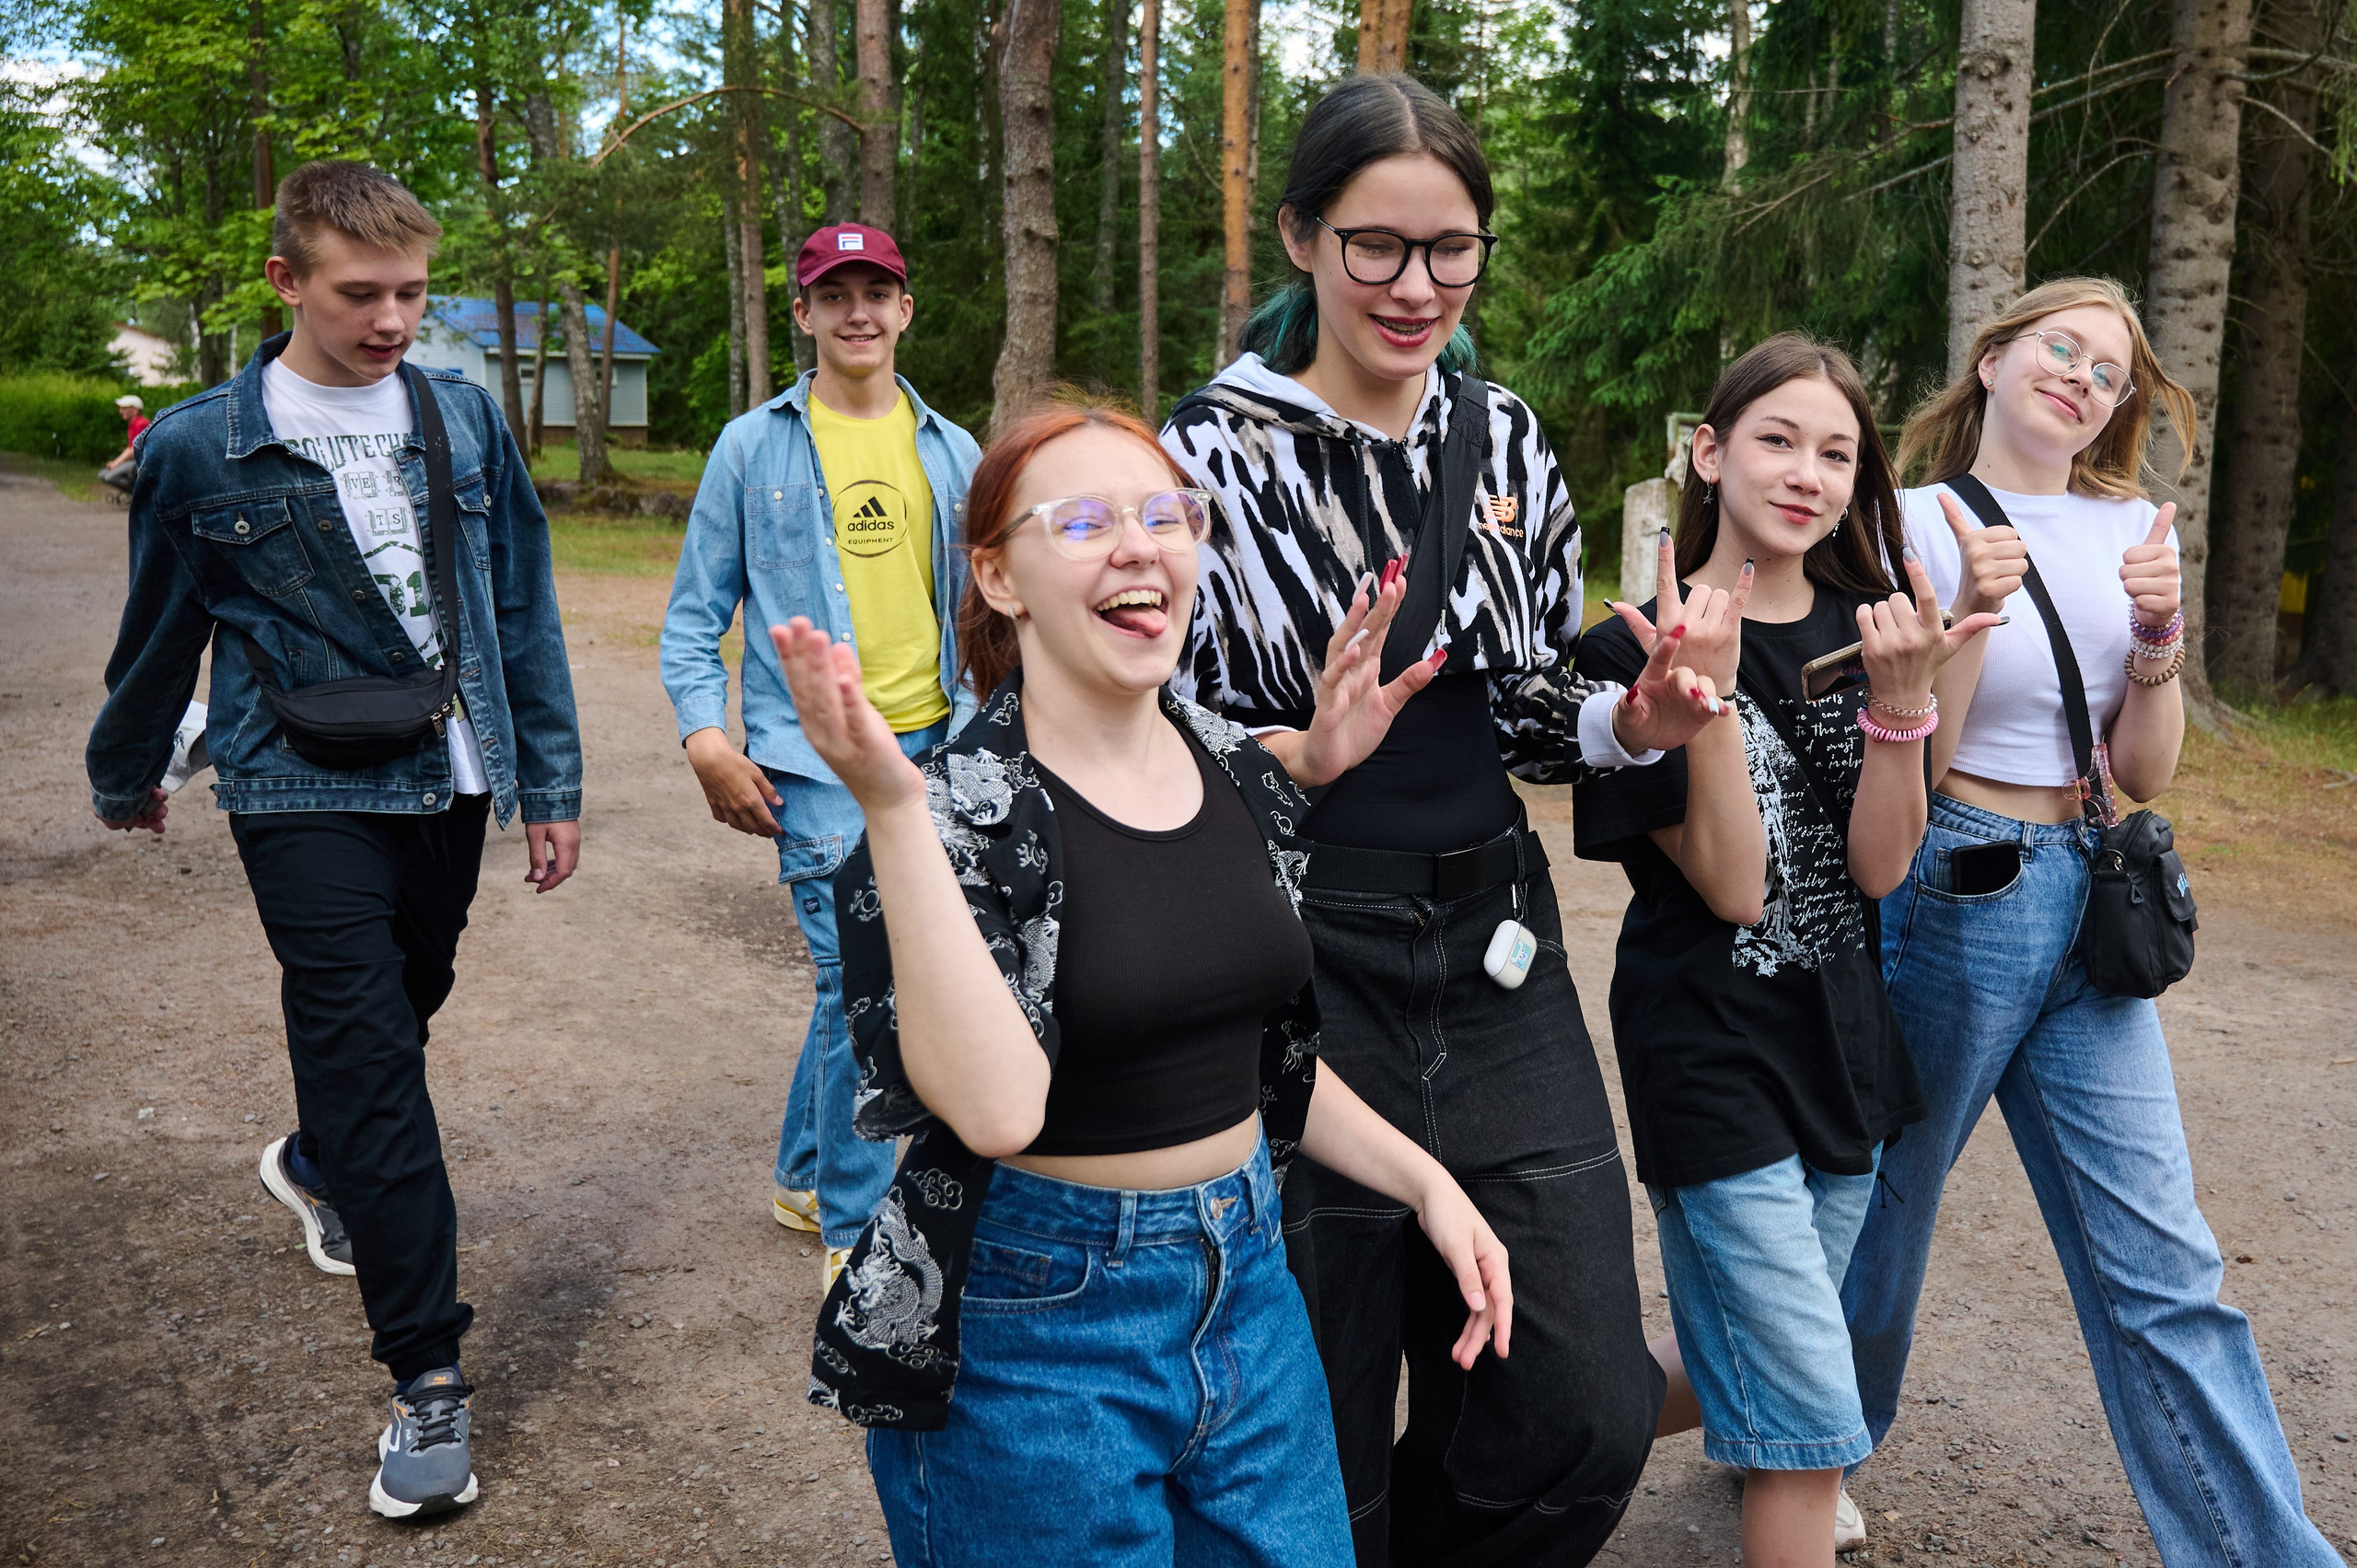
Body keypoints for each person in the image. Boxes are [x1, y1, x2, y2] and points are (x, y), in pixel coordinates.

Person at [788, 401, 1514, 1566]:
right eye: (1083, 522)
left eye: (1165, 515)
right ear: (999, 576)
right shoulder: (943, 819)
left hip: (1249, 1287)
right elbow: (996, 1110)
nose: (1139, 545)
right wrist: (889, 805)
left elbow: (1257, 1060)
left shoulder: (1232, 764)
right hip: (1034, 1328)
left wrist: (1427, 1182)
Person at [1161, 74, 1724, 1566]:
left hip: (1495, 951)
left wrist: (1634, 723)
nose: (1417, 286)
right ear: (1302, 237)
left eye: (1451, 247)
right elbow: (1148, 731)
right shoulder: (1204, 458)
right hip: (1292, 944)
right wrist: (1299, 746)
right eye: (1377, 245)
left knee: (1584, 1401)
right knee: (1318, 1415)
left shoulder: (1507, 438)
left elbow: (1534, 709)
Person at [84, 160, 582, 1518]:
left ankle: (318, 1157)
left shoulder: (463, 417)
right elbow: (159, 629)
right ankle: (429, 1375)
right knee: (369, 1051)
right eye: (360, 293)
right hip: (294, 776)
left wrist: (549, 781)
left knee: (404, 1009)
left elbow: (521, 608)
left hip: (450, 769)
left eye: (411, 292)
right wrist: (129, 769)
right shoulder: (199, 444)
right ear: (286, 281)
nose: (391, 321)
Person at [1840, 276, 2347, 1566]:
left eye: (2107, 371)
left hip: (2091, 891)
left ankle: (2266, 1552)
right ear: (1995, 358)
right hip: (1959, 887)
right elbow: (1915, 762)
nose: (2080, 375)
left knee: (2165, 1261)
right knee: (1887, 1207)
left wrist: (2161, 625)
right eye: (2059, 347)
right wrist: (1969, 619)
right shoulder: (1919, 519)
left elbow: (2147, 768)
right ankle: (1809, 1442)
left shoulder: (2131, 526)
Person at [1577, 336, 1998, 1568]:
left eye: (1837, 451)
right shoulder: (1630, 652)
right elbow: (1734, 886)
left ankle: (1513, 1442)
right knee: (1810, 1418)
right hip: (1709, 1054)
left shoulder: (1871, 630)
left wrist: (1906, 700)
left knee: (1752, 1360)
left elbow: (1879, 870)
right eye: (1777, 438)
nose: (1807, 471)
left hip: (1843, 1056)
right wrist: (1704, 702)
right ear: (1709, 453)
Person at [661, 222, 981, 1284]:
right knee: (866, 978)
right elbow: (694, 612)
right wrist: (706, 737)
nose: (857, 312)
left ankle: (804, 1171)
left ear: (904, 309)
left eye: (874, 292)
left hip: (935, 743)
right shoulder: (751, 448)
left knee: (868, 975)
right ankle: (855, 1225)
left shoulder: (953, 451)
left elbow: (985, 609)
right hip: (814, 760)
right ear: (801, 314)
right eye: (833, 294)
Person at [99, 393, 149, 494]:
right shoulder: (133, 424)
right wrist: (115, 462)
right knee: (102, 474)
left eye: (124, 408)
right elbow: (130, 447)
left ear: (135, 410)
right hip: (135, 461)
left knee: (110, 477)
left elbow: (133, 450)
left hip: (141, 462)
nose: (121, 411)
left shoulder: (141, 424)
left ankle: (141, 495)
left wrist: (116, 464)